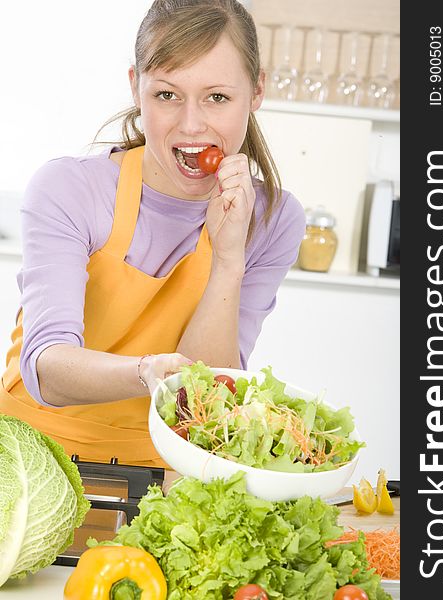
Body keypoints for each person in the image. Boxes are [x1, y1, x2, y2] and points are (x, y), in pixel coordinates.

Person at [0, 0, 305, 470]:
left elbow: (205, 403)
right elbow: (47, 369)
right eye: (166, 95)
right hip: (31, 464)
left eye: (217, 97)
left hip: (161, 480)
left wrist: (228, 261)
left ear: (257, 91)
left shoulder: (272, 219)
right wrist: (147, 373)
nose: (190, 124)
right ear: (135, 87)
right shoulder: (69, 188)